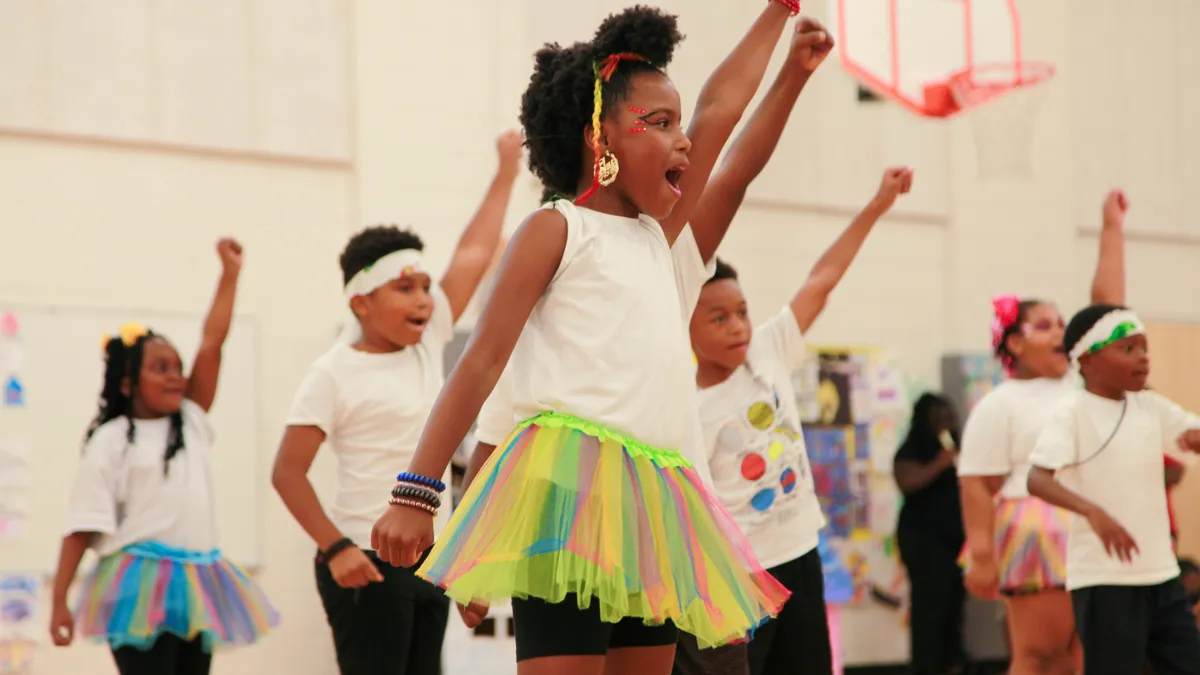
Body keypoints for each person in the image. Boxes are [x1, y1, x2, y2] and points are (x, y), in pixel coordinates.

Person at [372, 4, 824, 673]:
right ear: (598, 136)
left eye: (679, 123)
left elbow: (723, 115)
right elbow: (484, 365)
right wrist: (420, 492)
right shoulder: (556, 230)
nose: (684, 141)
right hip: (566, 497)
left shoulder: (659, 240)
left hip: (657, 506)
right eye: (659, 123)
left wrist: (778, 19)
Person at [270, 131, 521, 675]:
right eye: (405, 288)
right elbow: (288, 473)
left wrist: (506, 171)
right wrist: (337, 549)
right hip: (364, 559)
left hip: (429, 561)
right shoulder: (332, 370)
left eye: (426, 287)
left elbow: (474, 253)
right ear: (361, 301)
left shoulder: (429, 342)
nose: (424, 299)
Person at [49, 239, 277, 675]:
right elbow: (82, 525)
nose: (176, 376)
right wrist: (60, 600)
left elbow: (212, 344)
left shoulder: (190, 419)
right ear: (127, 384)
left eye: (177, 366)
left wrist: (229, 277)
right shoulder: (112, 440)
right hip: (138, 586)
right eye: (160, 368)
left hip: (198, 580)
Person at [955, 189, 1128, 674]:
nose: (1059, 332)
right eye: (1043, 325)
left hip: (1091, 521)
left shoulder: (1082, 381)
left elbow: (1108, 310)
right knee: (1038, 654)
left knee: (1080, 656)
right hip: (1037, 527)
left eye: (1062, 324)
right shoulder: (1000, 403)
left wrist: (1112, 230)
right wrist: (983, 554)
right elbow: (974, 481)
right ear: (1014, 342)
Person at [1027, 304, 1200, 674]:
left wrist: (1193, 439)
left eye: (1144, 348)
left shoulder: (1150, 406)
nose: (1142, 358)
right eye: (1128, 348)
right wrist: (1094, 511)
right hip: (1105, 579)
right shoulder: (1071, 412)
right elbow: (1037, 478)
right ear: (1087, 359)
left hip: (1162, 575)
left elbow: (1190, 433)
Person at [894, 394, 966, 675]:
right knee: (928, 610)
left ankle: (953, 661)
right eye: (939, 417)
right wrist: (939, 463)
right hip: (924, 543)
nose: (946, 423)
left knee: (954, 608)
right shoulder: (912, 449)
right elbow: (908, 482)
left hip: (955, 541)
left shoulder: (958, 447)